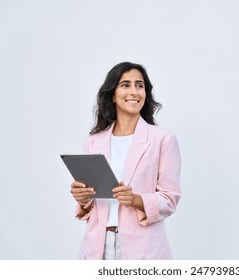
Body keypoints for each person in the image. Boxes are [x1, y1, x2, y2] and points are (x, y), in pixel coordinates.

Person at [70, 62, 181, 260]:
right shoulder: (92, 143)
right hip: (97, 246)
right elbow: (92, 204)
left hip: (143, 247)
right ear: (112, 95)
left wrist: (137, 200)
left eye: (140, 85)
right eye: (125, 85)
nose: (134, 91)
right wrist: (82, 197)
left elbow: (170, 198)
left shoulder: (163, 139)